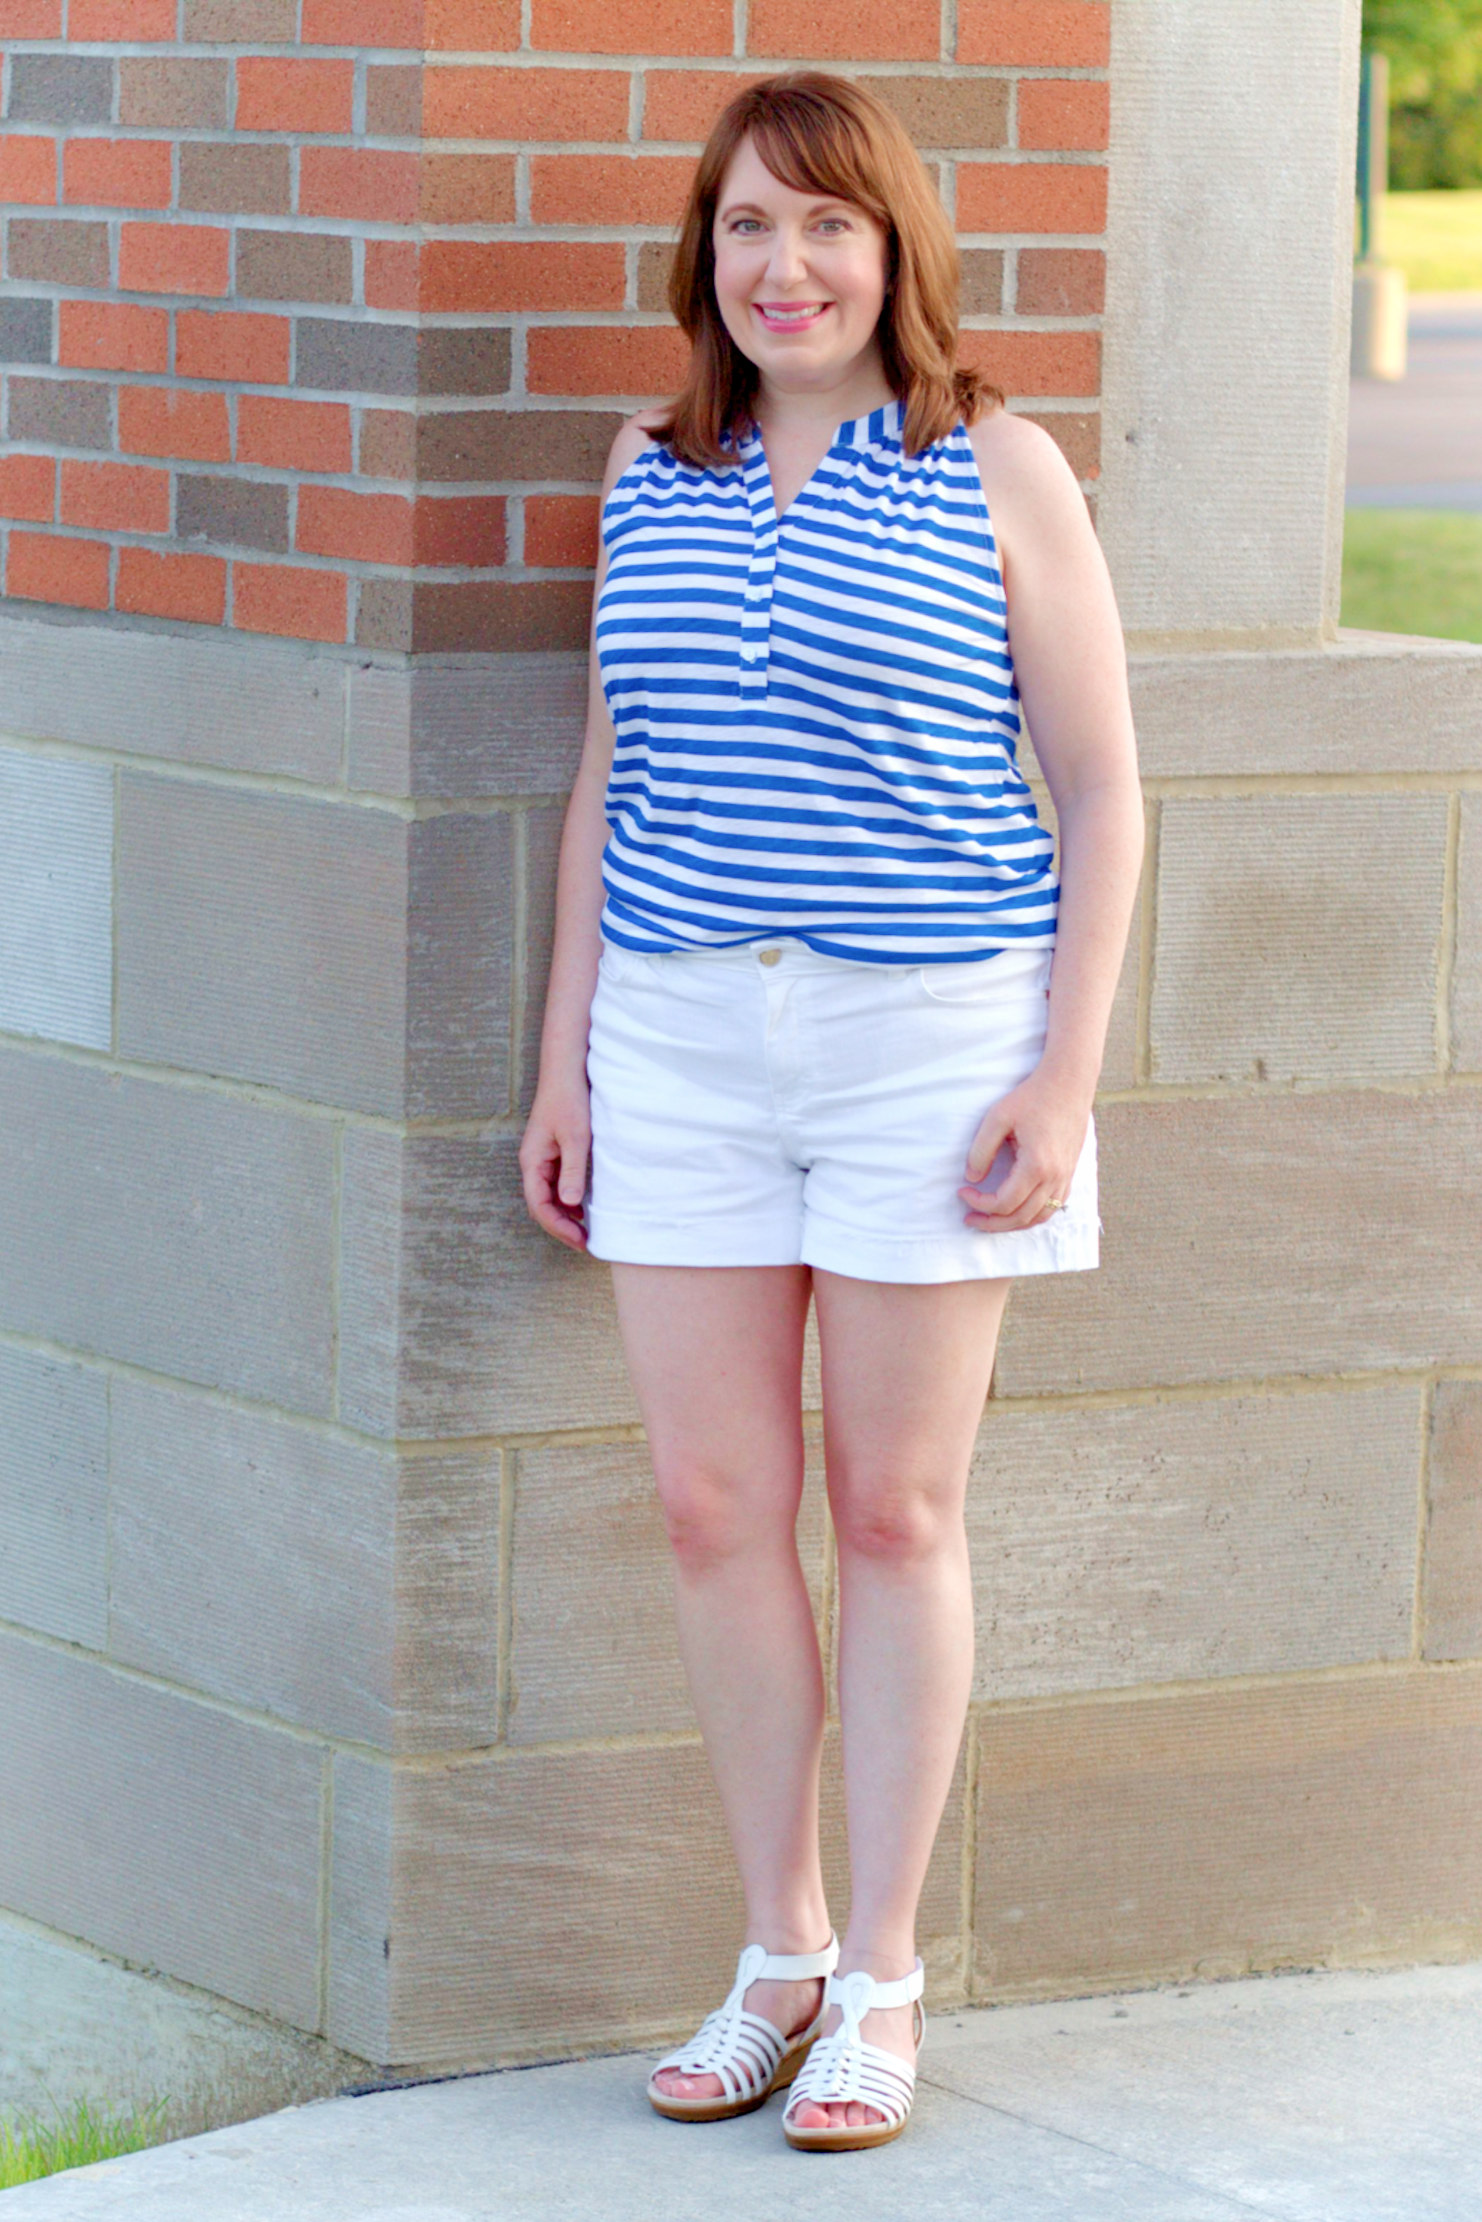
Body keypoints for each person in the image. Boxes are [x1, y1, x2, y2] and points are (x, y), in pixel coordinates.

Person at [519, 69, 1143, 2154]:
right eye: (746, 230)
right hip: (682, 1041)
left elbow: (1108, 788)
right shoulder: (651, 467)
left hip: (929, 1040)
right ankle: (773, 1952)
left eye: (827, 229)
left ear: (896, 253)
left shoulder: (996, 465)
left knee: (892, 1511)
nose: (783, 269)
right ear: (703, 259)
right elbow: (618, 778)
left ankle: (883, 1972)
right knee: (714, 1508)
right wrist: (565, 1059)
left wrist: (1065, 1068)